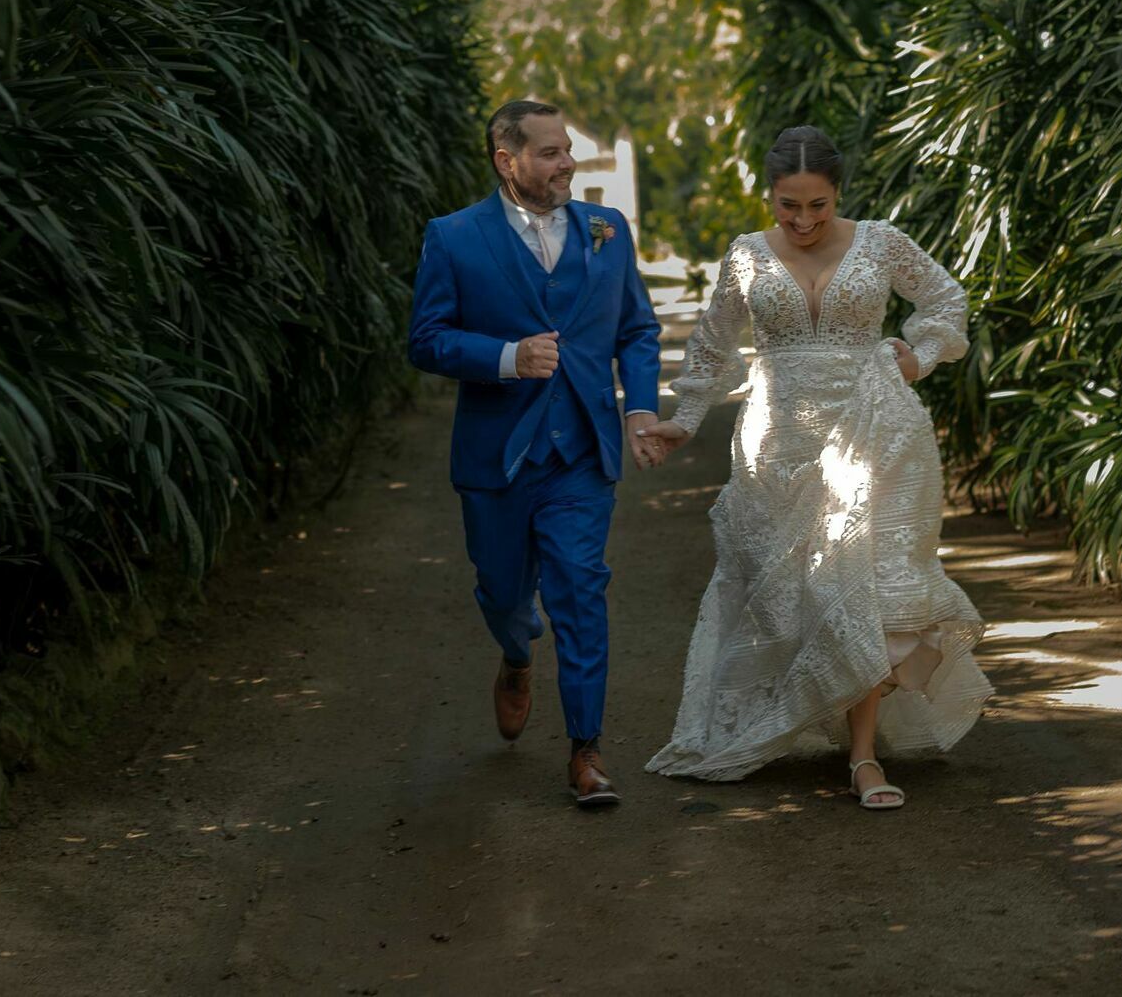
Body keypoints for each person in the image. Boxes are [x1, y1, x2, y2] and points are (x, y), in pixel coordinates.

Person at [638, 126, 991, 808]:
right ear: (769, 196)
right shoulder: (746, 255)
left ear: (838, 194)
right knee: (790, 594)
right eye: (788, 206)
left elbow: (947, 299)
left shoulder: (882, 242)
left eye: (818, 206)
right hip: (777, 444)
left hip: (876, 430)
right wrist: (684, 421)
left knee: (872, 587)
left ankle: (863, 756)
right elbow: (712, 345)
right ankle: (795, 719)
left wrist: (918, 358)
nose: (802, 221)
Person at [407, 99, 666, 808]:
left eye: (567, 150)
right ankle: (517, 654)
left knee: (580, 589)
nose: (567, 164)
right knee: (501, 592)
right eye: (550, 152)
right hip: (497, 455)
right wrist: (505, 356)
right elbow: (425, 339)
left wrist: (641, 407)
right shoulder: (454, 237)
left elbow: (637, 330)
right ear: (507, 160)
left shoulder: (607, 230)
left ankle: (586, 751)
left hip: (581, 450)